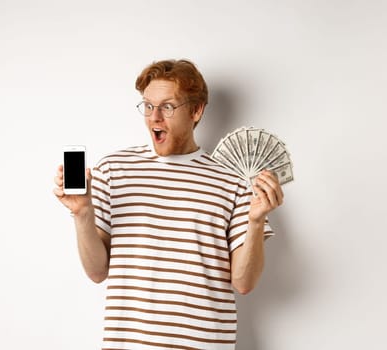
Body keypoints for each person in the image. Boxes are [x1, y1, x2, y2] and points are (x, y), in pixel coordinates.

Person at [52, 59, 284, 349]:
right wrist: (82, 212)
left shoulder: (232, 183)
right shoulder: (114, 170)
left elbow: (243, 282)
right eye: (148, 106)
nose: (155, 117)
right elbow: (97, 272)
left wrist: (255, 221)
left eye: (168, 107)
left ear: (196, 111)